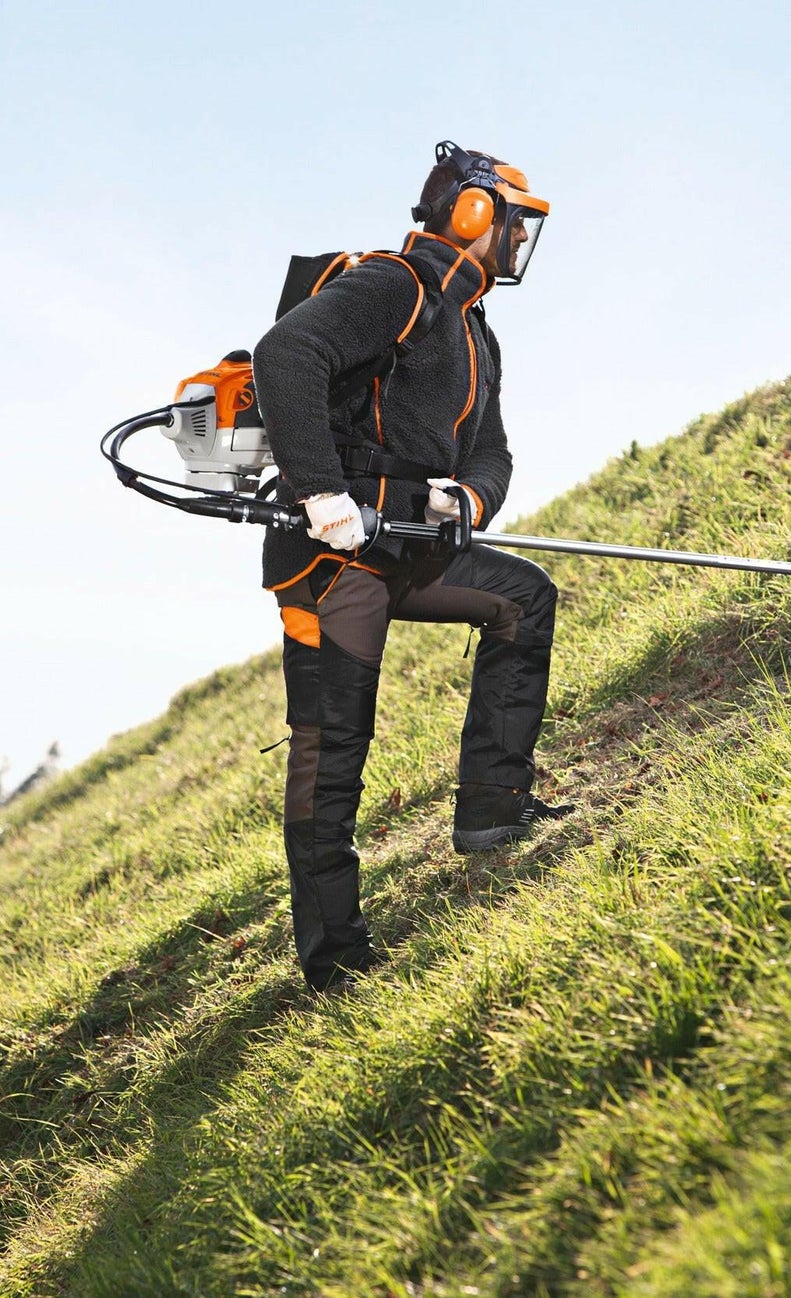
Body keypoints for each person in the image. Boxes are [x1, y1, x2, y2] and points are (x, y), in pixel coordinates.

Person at [251, 141, 571, 993]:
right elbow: (285, 355)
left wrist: (468, 499)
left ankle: (492, 812)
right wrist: (320, 492)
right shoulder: (397, 286)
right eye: (513, 224)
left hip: (409, 546)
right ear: (472, 215)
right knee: (332, 752)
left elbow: (493, 450)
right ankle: (336, 961)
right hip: (333, 559)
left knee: (522, 601)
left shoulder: (474, 331)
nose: (518, 242)